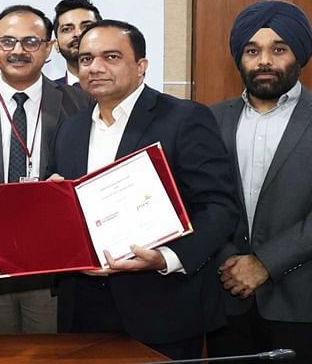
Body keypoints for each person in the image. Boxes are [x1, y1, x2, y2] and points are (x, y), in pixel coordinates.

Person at [49, 19, 238, 359]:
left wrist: (165, 259)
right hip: (84, 308)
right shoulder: (71, 129)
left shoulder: (184, 118)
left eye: (111, 57)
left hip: (163, 306)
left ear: (141, 66)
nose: (96, 67)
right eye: (87, 59)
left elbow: (219, 207)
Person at [0, 5, 90, 333]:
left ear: (50, 48)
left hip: (54, 266)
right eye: (8, 42)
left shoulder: (82, 104)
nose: (18, 51)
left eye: (30, 42)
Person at [206, 0, 312, 363]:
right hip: (225, 297)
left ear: (299, 54)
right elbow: (198, 201)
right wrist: (232, 261)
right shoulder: (210, 119)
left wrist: (264, 263)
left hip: (303, 303)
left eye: (278, 49)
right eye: (252, 50)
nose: (264, 61)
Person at [52, 0, 102, 86]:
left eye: (86, 26)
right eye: (67, 29)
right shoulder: (44, 95)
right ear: (56, 45)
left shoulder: (126, 88)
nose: (78, 33)